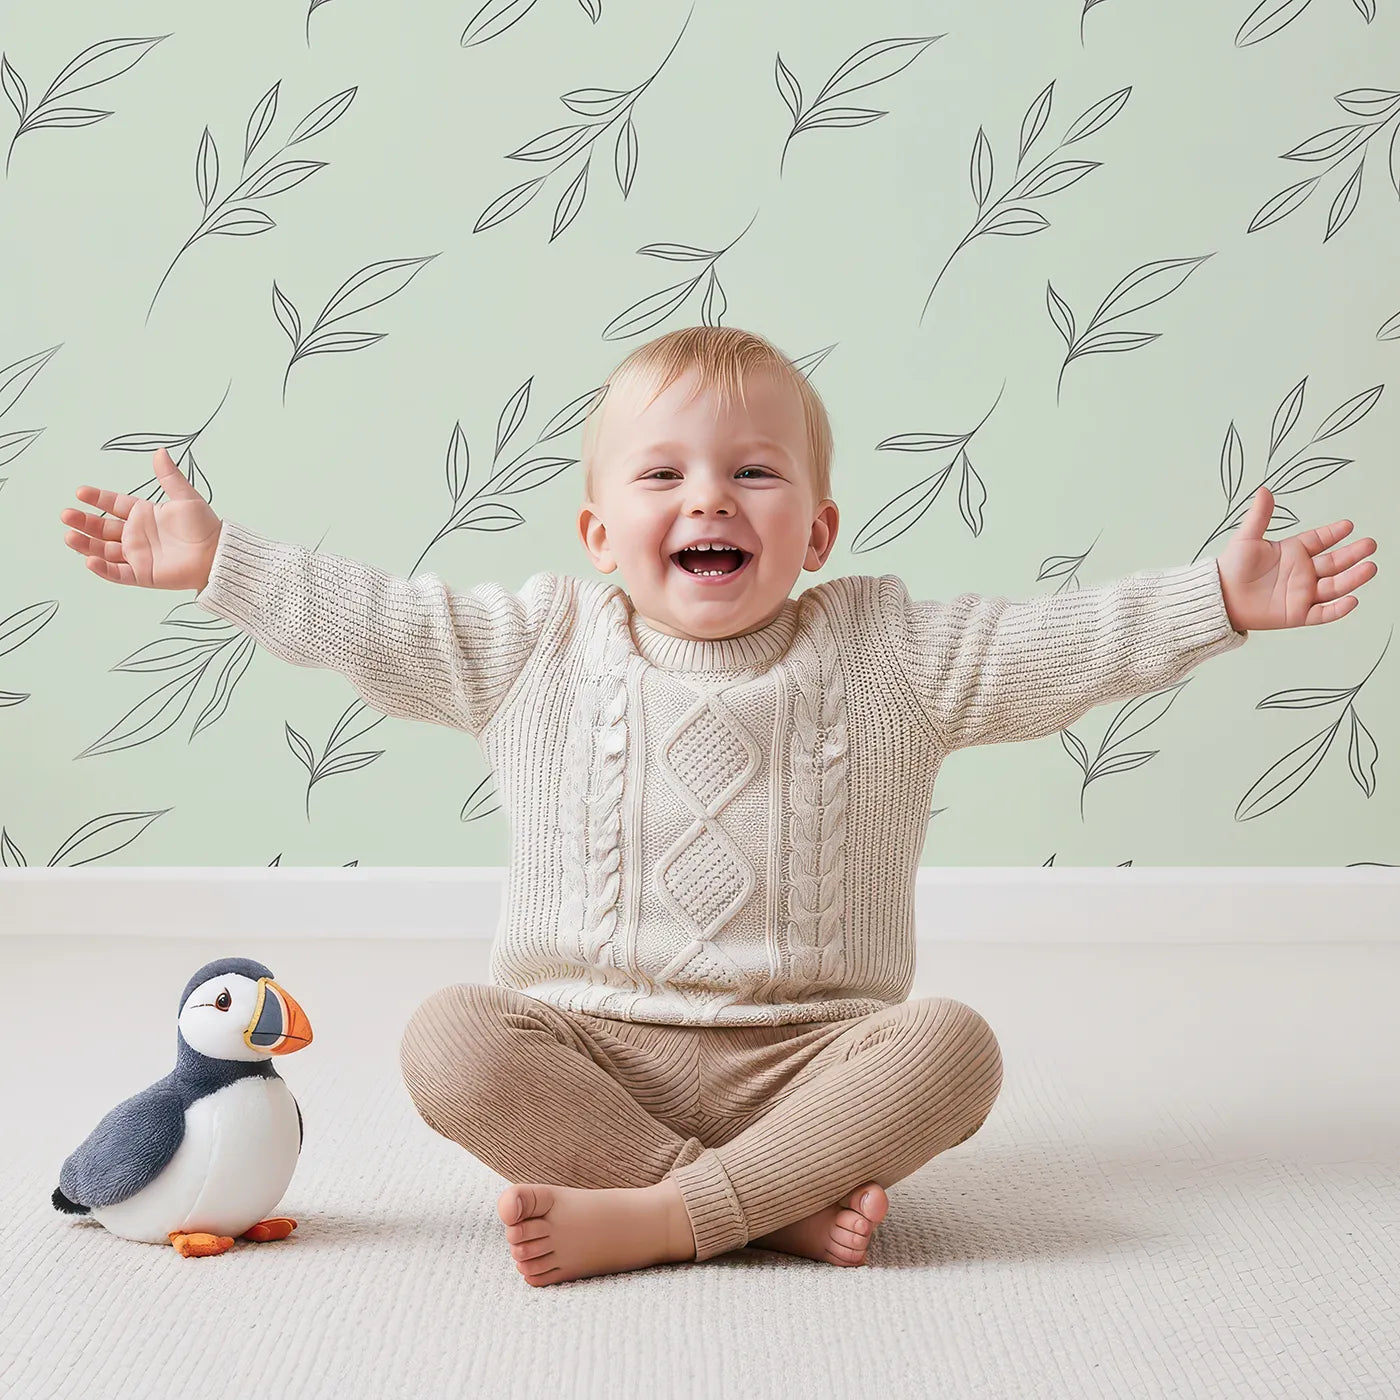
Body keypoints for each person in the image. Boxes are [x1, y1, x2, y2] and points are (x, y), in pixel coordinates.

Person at [58, 326, 1378, 1287]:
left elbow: (1061, 644)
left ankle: (668, 1216)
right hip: (589, 1058)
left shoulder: (888, 652)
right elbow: (375, 618)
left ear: (818, 533)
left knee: (955, 1048)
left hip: (816, 1061)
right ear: (596, 535)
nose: (708, 497)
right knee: (447, 1041)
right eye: (662, 476)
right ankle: (753, 1208)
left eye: (754, 473)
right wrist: (223, 563)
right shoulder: (536, 647)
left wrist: (1216, 599)